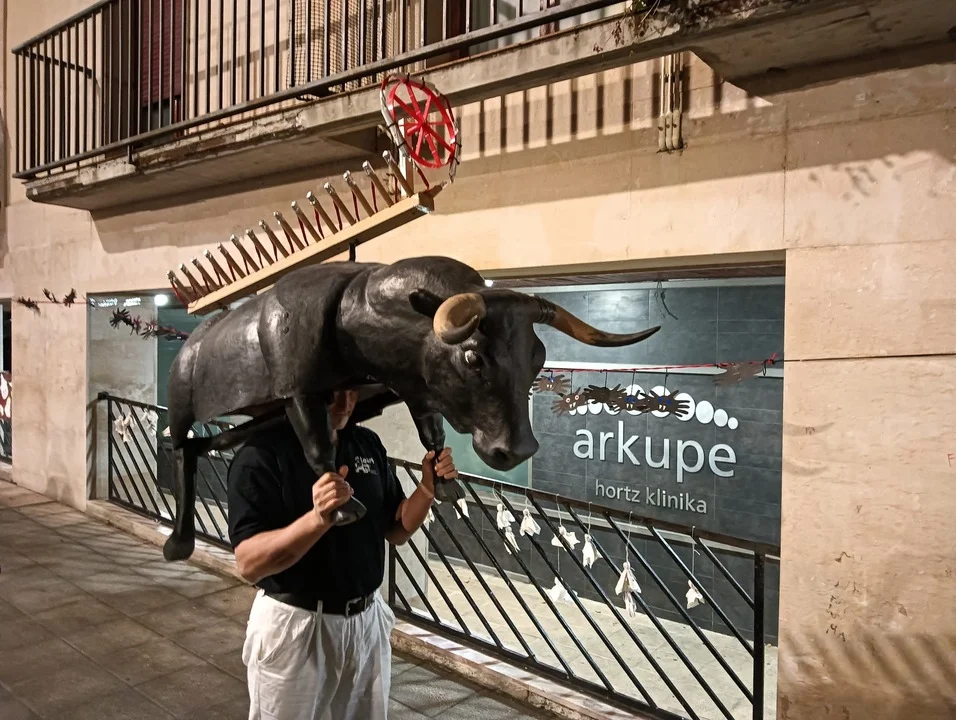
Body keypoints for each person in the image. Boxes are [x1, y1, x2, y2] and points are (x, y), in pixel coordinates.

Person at [226, 389, 457, 720]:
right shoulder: (263, 453)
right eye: (332, 392)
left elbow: (397, 529)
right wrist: (317, 520)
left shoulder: (366, 443)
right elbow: (249, 563)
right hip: (298, 627)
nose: (345, 403)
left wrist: (426, 489)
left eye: (352, 391)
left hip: (366, 623)